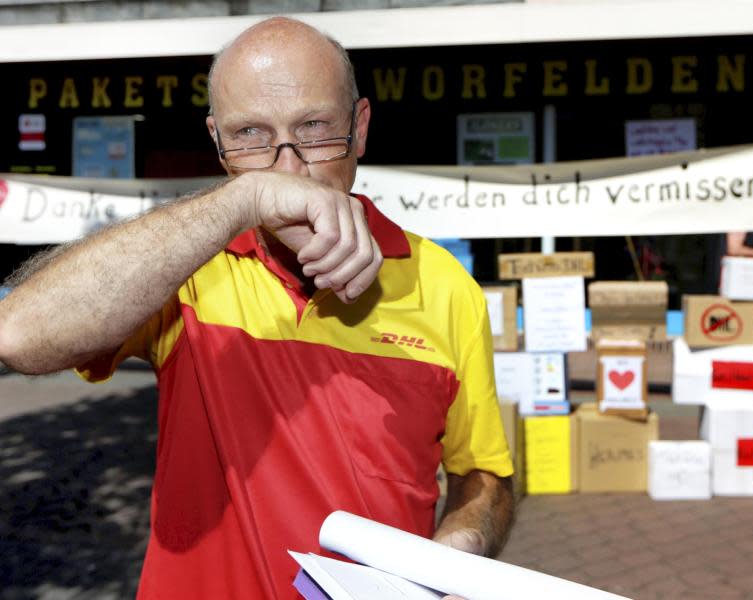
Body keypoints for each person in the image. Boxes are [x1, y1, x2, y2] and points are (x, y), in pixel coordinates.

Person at [0, 17, 514, 599]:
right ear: (218, 144)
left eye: (315, 127)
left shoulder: (444, 284)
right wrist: (246, 198)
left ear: (360, 127)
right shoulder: (183, 268)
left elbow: (486, 475)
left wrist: (459, 548)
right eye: (250, 135)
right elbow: (17, 333)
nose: (287, 168)